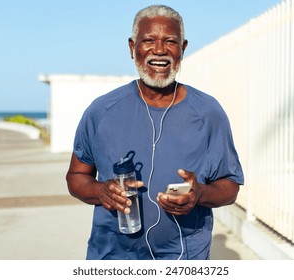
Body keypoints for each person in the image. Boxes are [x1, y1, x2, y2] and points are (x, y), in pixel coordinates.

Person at [66, 4, 244, 260]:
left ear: (182, 49)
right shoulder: (101, 111)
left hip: (184, 257)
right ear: (132, 47)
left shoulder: (208, 112)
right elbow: (76, 176)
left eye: (170, 41)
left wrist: (200, 194)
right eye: (148, 40)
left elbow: (230, 185)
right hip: (113, 257)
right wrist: (100, 191)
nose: (159, 50)